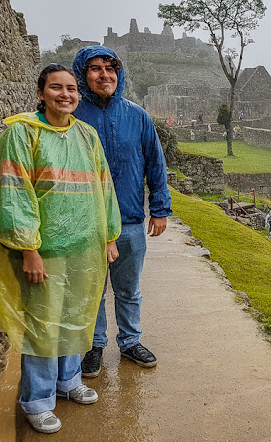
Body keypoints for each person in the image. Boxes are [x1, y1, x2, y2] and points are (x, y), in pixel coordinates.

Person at [0, 65, 122, 433]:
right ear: (41, 92)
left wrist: (109, 235)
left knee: (77, 314)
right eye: (56, 88)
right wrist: (29, 249)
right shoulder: (22, 135)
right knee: (43, 324)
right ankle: (38, 400)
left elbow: (103, 186)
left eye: (72, 89)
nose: (66, 95)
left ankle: (69, 380)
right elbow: (13, 197)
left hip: (84, 248)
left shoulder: (87, 135)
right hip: (44, 251)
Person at [73, 46, 172, 377]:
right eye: (96, 69)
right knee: (93, 289)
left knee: (128, 288)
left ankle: (130, 341)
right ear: (83, 75)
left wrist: (159, 208)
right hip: (86, 222)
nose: (105, 75)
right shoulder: (73, 118)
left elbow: (155, 164)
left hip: (129, 219)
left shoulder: (137, 116)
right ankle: (95, 345)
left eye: (111, 68)